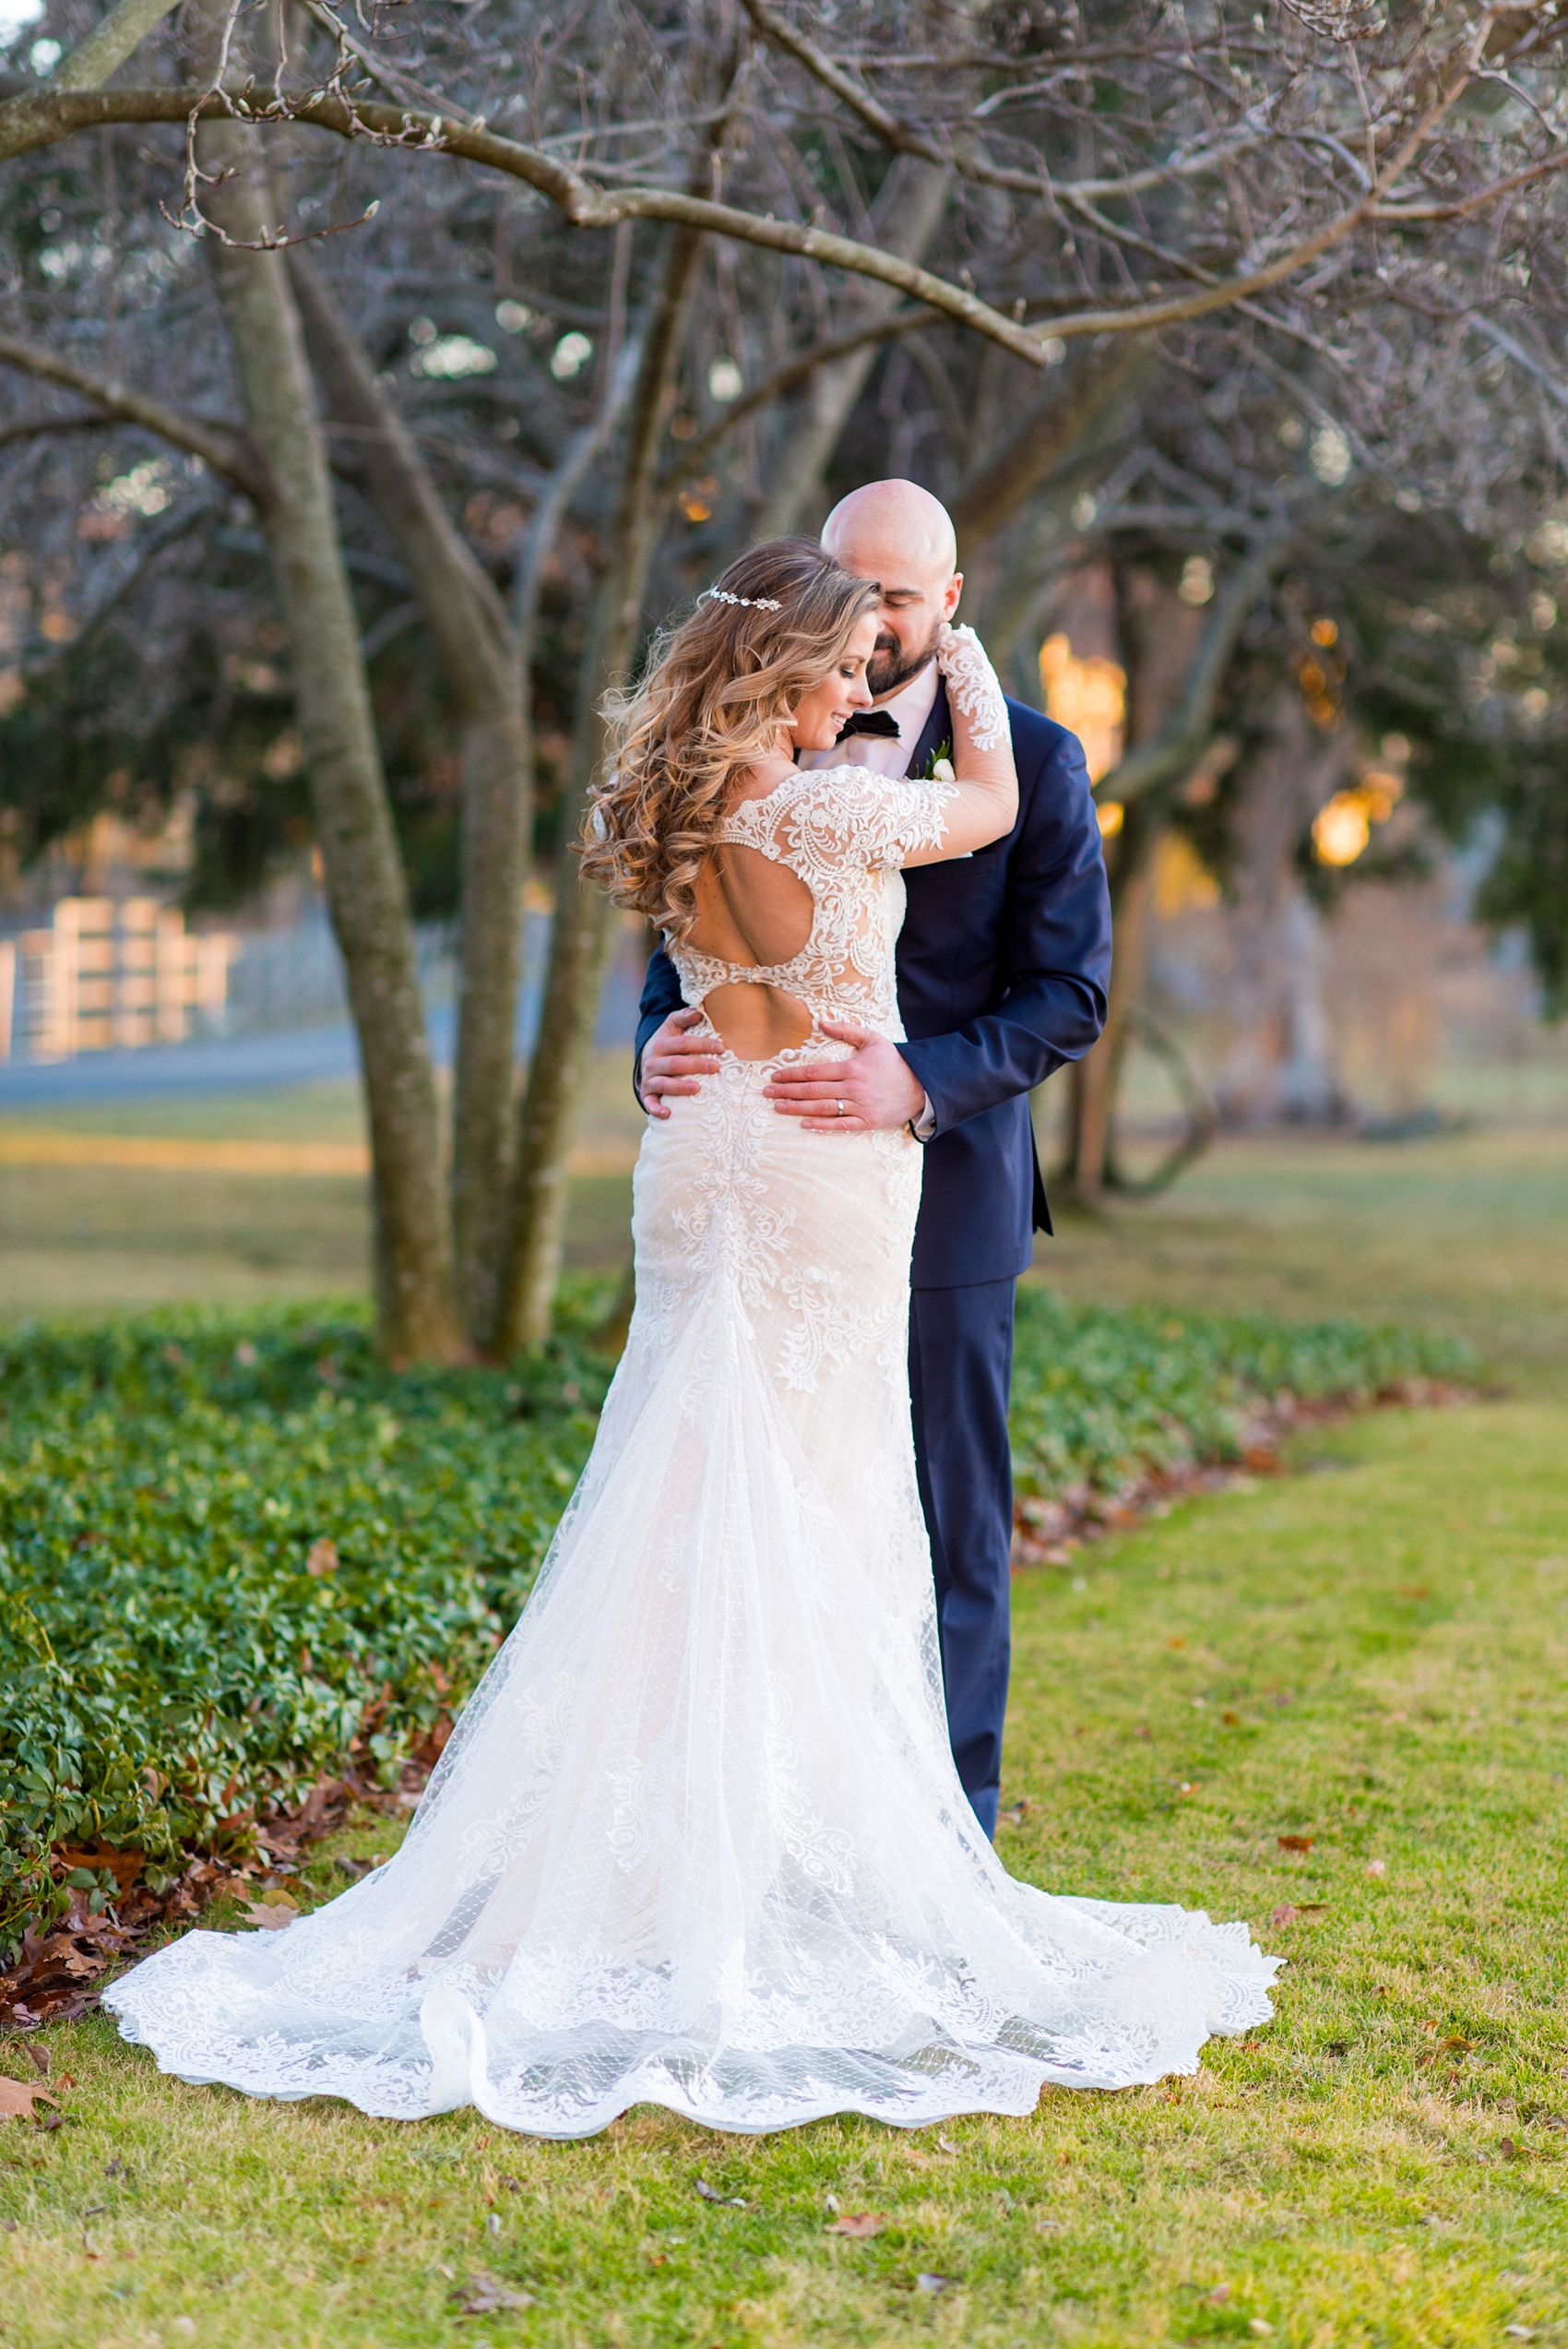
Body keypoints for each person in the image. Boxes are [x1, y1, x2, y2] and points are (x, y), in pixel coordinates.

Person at [105, 537, 1277, 2140]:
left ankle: (711, 1860)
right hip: (814, 1173)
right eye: (846, 647)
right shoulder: (820, 796)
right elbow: (978, 802)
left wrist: (741, 1037)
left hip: (719, 1154)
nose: (867, 674)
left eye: (893, 627)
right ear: (797, 664)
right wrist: (980, 670)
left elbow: (821, 977)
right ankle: (797, 1885)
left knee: (691, 1493)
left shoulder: (671, 791)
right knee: (815, 1504)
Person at [636, 480, 1111, 1838]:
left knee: (947, 1513)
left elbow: (1068, 993)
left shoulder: (1036, 755)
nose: (873, 614)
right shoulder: (729, 753)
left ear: (949, 602)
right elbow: (673, 950)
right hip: (763, 1182)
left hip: (944, 1192)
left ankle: (948, 1820)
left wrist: (920, 1076)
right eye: (849, 581)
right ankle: (757, 1804)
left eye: (901, 594)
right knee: (759, 1489)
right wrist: (658, 1043)